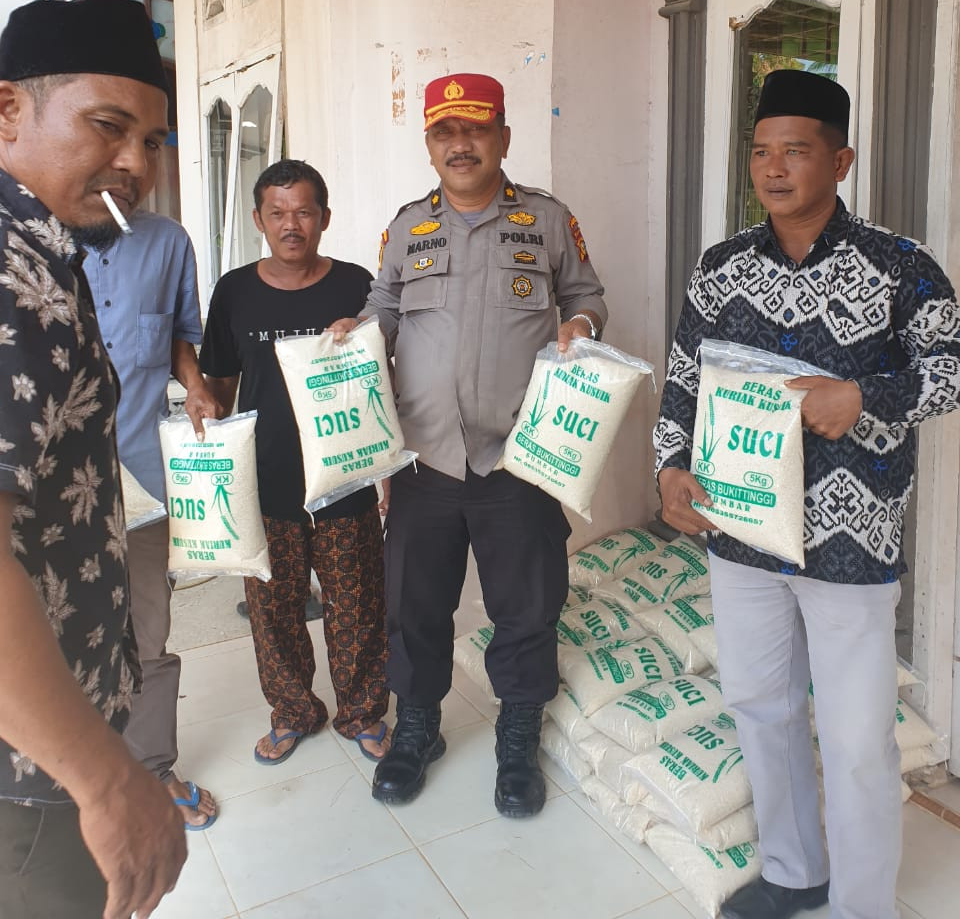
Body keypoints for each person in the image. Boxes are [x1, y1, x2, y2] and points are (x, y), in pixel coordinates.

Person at [653, 69, 960, 919]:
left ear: (842, 159)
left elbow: (950, 369)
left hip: (847, 541)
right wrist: (670, 465)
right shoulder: (720, 270)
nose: (774, 168)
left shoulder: (901, 266)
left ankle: (864, 905)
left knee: (859, 738)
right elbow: (684, 380)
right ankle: (794, 871)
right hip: (741, 530)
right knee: (761, 704)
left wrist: (863, 397)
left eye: (796, 150)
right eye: (761, 152)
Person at [330, 73, 607, 817]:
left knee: (526, 605)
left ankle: (517, 737)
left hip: (519, 455)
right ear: (429, 144)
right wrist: (356, 333)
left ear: (503, 139)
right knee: (416, 606)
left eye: (476, 129)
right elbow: (384, 303)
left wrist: (580, 327)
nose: (461, 144)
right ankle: (418, 725)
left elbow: (584, 293)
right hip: (423, 458)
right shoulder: (407, 226)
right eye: (446, 132)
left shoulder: (547, 220)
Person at [0, 0, 187, 919]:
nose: (135, 165)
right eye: (108, 127)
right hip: (31, 775)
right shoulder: (12, 280)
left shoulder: (55, 252)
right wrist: (105, 780)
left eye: (153, 141)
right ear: (8, 112)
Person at [199, 159, 390, 765]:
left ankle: (362, 711)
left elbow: (381, 379)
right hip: (265, 482)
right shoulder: (234, 290)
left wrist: (385, 470)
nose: (291, 225)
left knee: (357, 603)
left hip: (345, 479)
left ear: (324, 218)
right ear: (258, 219)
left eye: (304, 211)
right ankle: (293, 711)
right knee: (273, 610)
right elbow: (222, 385)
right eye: (277, 213)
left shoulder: (358, 285)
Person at [83, 210, 221, 830]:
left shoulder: (167, 242)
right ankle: (67, 778)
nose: (130, 161)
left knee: (148, 631)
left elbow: (175, 340)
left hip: (139, 476)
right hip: (45, 488)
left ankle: (153, 767)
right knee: (49, 628)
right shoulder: (23, 236)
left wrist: (193, 383)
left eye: (145, 142)